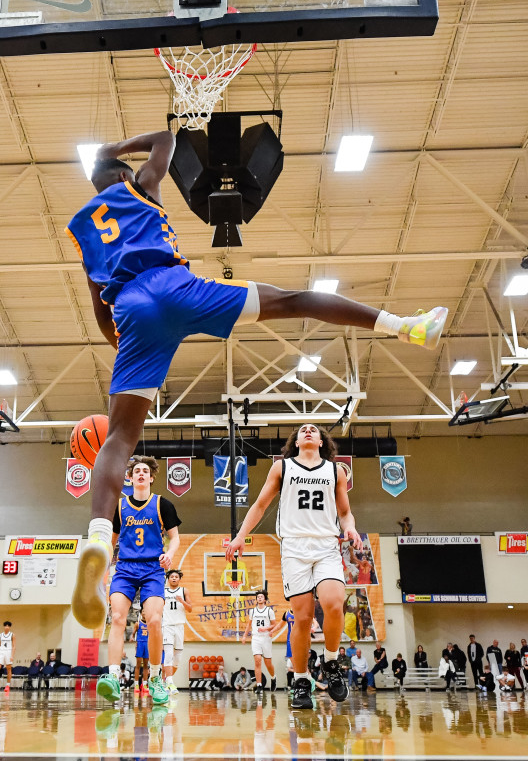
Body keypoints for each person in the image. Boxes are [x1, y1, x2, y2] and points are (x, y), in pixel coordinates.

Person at [68, 131, 449, 632]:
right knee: (291, 300)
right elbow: (166, 140)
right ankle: (404, 326)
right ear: (121, 176)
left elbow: (100, 306)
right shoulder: (138, 185)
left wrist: (123, 344)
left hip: (132, 309)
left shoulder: (84, 228)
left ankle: (98, 537)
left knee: (118, 439)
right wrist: (114, 150)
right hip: (177, 286)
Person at [226, 424, 361, 710]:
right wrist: (240, 536)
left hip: (326, 545)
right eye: (303, 430)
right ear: (296, 441)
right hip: (294, 548)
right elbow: (260, 505)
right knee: (302, 618)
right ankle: (301, 680)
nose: (309, 431)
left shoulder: (335, 472)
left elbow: (345, 512)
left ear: (322, 442)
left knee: (335, 603)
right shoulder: (281, 468)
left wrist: (350, 529)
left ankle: (331, 662)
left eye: (314, 430)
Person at [95, 455, 179, 705]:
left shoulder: (163, 505)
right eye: (136, 471)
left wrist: (170, 555)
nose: (141, 474)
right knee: (118, 618)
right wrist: (103, 570)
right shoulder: (119, 507)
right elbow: (110, 543)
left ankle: (155, 678)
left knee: (154, 620)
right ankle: (112, 677)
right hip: (125, 568)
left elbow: (175, 538)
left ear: (151, 478)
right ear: (129, 478)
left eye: (145, 471)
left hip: (153, 568)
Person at [162, 569, 192, 694]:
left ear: (179, 579)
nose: (174, 578)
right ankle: (170, 683)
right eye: (172, 577)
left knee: (177, 659)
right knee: (168, 655)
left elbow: (190, 609)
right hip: (167, 625)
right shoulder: (162, 591)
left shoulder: (184, 591)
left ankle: (166, 681)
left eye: (176, 577)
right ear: (168, 579)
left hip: (180, 626)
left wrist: (182, 601)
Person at [248, 591, 278, 692]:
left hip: (266, 638)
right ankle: (259, 685)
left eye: (261, 597)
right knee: (257, 661)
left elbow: (274, 624)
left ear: (265, 599)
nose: (259, 598)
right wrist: (244, 636)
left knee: (268, 664)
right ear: (256, 599)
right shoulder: (252, 611)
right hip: (256, 638)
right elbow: (249, 624)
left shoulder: (269, 611)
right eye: (258, 597)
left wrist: (266, 629)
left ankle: (273, 677)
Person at [133, 618, 151, 694]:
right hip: (140, 643)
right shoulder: (138, 623)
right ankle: (136, 684)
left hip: (147, 644)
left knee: (146, 666)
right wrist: (134, 641)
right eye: (143, 611)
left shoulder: (150, 623)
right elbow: (133, 634)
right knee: (138, 665)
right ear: (141, 613)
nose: (144, 613)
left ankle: (144, 684)